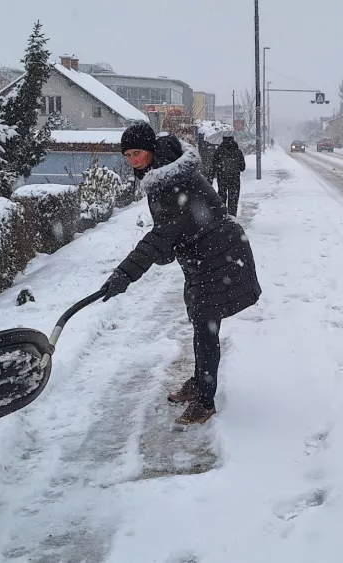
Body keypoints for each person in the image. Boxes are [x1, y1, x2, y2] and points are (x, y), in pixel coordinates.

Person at [102, 122, 262, 425]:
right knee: (201, 323)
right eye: (128, 155)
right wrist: (166, 250)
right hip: (205, 255)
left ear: (150, 151)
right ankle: (201, 383)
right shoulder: (165, 173)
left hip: (219, 256)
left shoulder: (169, 182)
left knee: (206, 327)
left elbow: (161, 235)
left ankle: (206, 400)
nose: (132, 160)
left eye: (136, 153)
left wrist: (124, 275)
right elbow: (171, 234)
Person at [212, 134, 246, 216]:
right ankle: (232, 219)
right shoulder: (238, 152)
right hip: (235, 180)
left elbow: (213, 166)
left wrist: (211, 178)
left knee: (222, 199)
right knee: (233, 201)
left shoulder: (219, 151)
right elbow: (242, 167)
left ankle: (222, 217)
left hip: (222, 179)